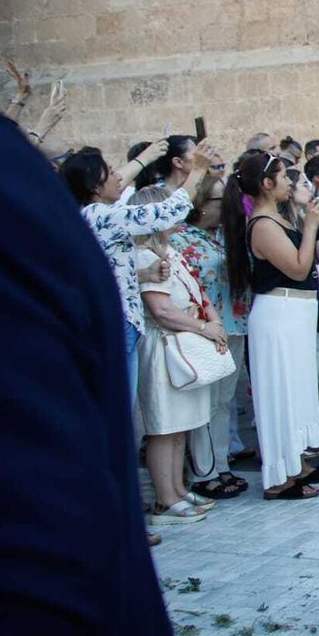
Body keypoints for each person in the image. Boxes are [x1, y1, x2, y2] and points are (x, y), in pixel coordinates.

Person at [0, 100, 198, 636]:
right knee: (130, 422)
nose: (115, 179)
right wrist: (191, 171)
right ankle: (164, 493)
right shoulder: (87, 213)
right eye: (107, 172)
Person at [66, 140, 206, 409]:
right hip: (116, 323)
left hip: (115, 321)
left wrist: (143, 273)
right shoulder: (101, 215)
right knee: (118, 406)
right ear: (95, 187)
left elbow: (106, 271)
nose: (119, 177)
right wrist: (198, 170)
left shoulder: (94, 214)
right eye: (111, 172)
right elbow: (165, 212)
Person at [222, 151, 319, 500]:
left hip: (294, 313)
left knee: (296, 390)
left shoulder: (278, 218)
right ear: (266, 184)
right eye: (283, 177)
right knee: (281, 392)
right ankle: (278, 476)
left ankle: (296, 462)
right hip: (279, 313)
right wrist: (312, 226)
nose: (288, 182)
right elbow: (298, 268)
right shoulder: (264, 225)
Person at [131, 186, 222, 527]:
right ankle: (165, 498)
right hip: (163, 343)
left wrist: (212, 321)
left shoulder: (169, 249)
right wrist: (204, 328)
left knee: (181, 425)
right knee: (164, 425)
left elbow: (196, 292)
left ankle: (178, 488)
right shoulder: (144, 257)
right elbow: (162, 310)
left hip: (184, 337)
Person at [169, 174, 250, 501]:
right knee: (204, 403)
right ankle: (204, 472)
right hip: (204, 330)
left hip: (234, 324)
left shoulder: (225, 236)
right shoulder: (180, 238)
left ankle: (220, 463)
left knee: (223, 403)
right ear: (201, 205)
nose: (226, 205)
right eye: (219, 199)